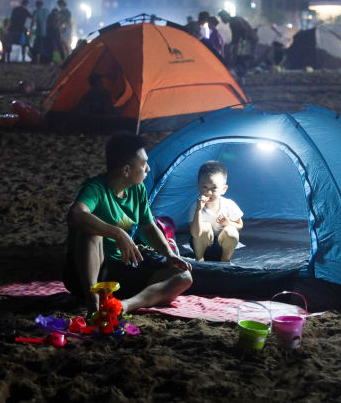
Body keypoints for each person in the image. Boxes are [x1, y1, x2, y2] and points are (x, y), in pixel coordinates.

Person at [62, 133, 192, 313]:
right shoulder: (95, 188)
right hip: (85, 274)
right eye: (144, 164)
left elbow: (148, 226)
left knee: (183, 277)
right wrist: (116, 232)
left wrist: (169, 254)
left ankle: (124, 306)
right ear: (126, 170)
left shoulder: (138, 190)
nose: (147, 169)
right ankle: (93, 300)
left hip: (119, 269)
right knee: (91, 232)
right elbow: (76, 213)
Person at [189, 161, 243, 263]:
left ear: (223, 189)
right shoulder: (195, 207)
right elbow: (195, 234)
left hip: (222, 247)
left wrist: (228, 223)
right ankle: (199, 260)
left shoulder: (228, 204)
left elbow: (240, 225)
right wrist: (198, 211)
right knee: (205, 226)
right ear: (198, 186)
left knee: (231, 231)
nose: (209, 193)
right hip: (202, 246)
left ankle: (225, 261)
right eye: (205, 187)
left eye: (214, 188)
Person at [218, 9, 258, 76]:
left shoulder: (235, 21)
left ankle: (244, 73)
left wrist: (239, 42)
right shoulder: (233, 21)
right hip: (249, 40)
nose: (221, 20)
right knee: (243, 57)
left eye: (222, 18)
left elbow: (243, 31)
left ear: (225, 16)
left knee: (245, 57)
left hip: (250, 41)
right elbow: (235, 37)